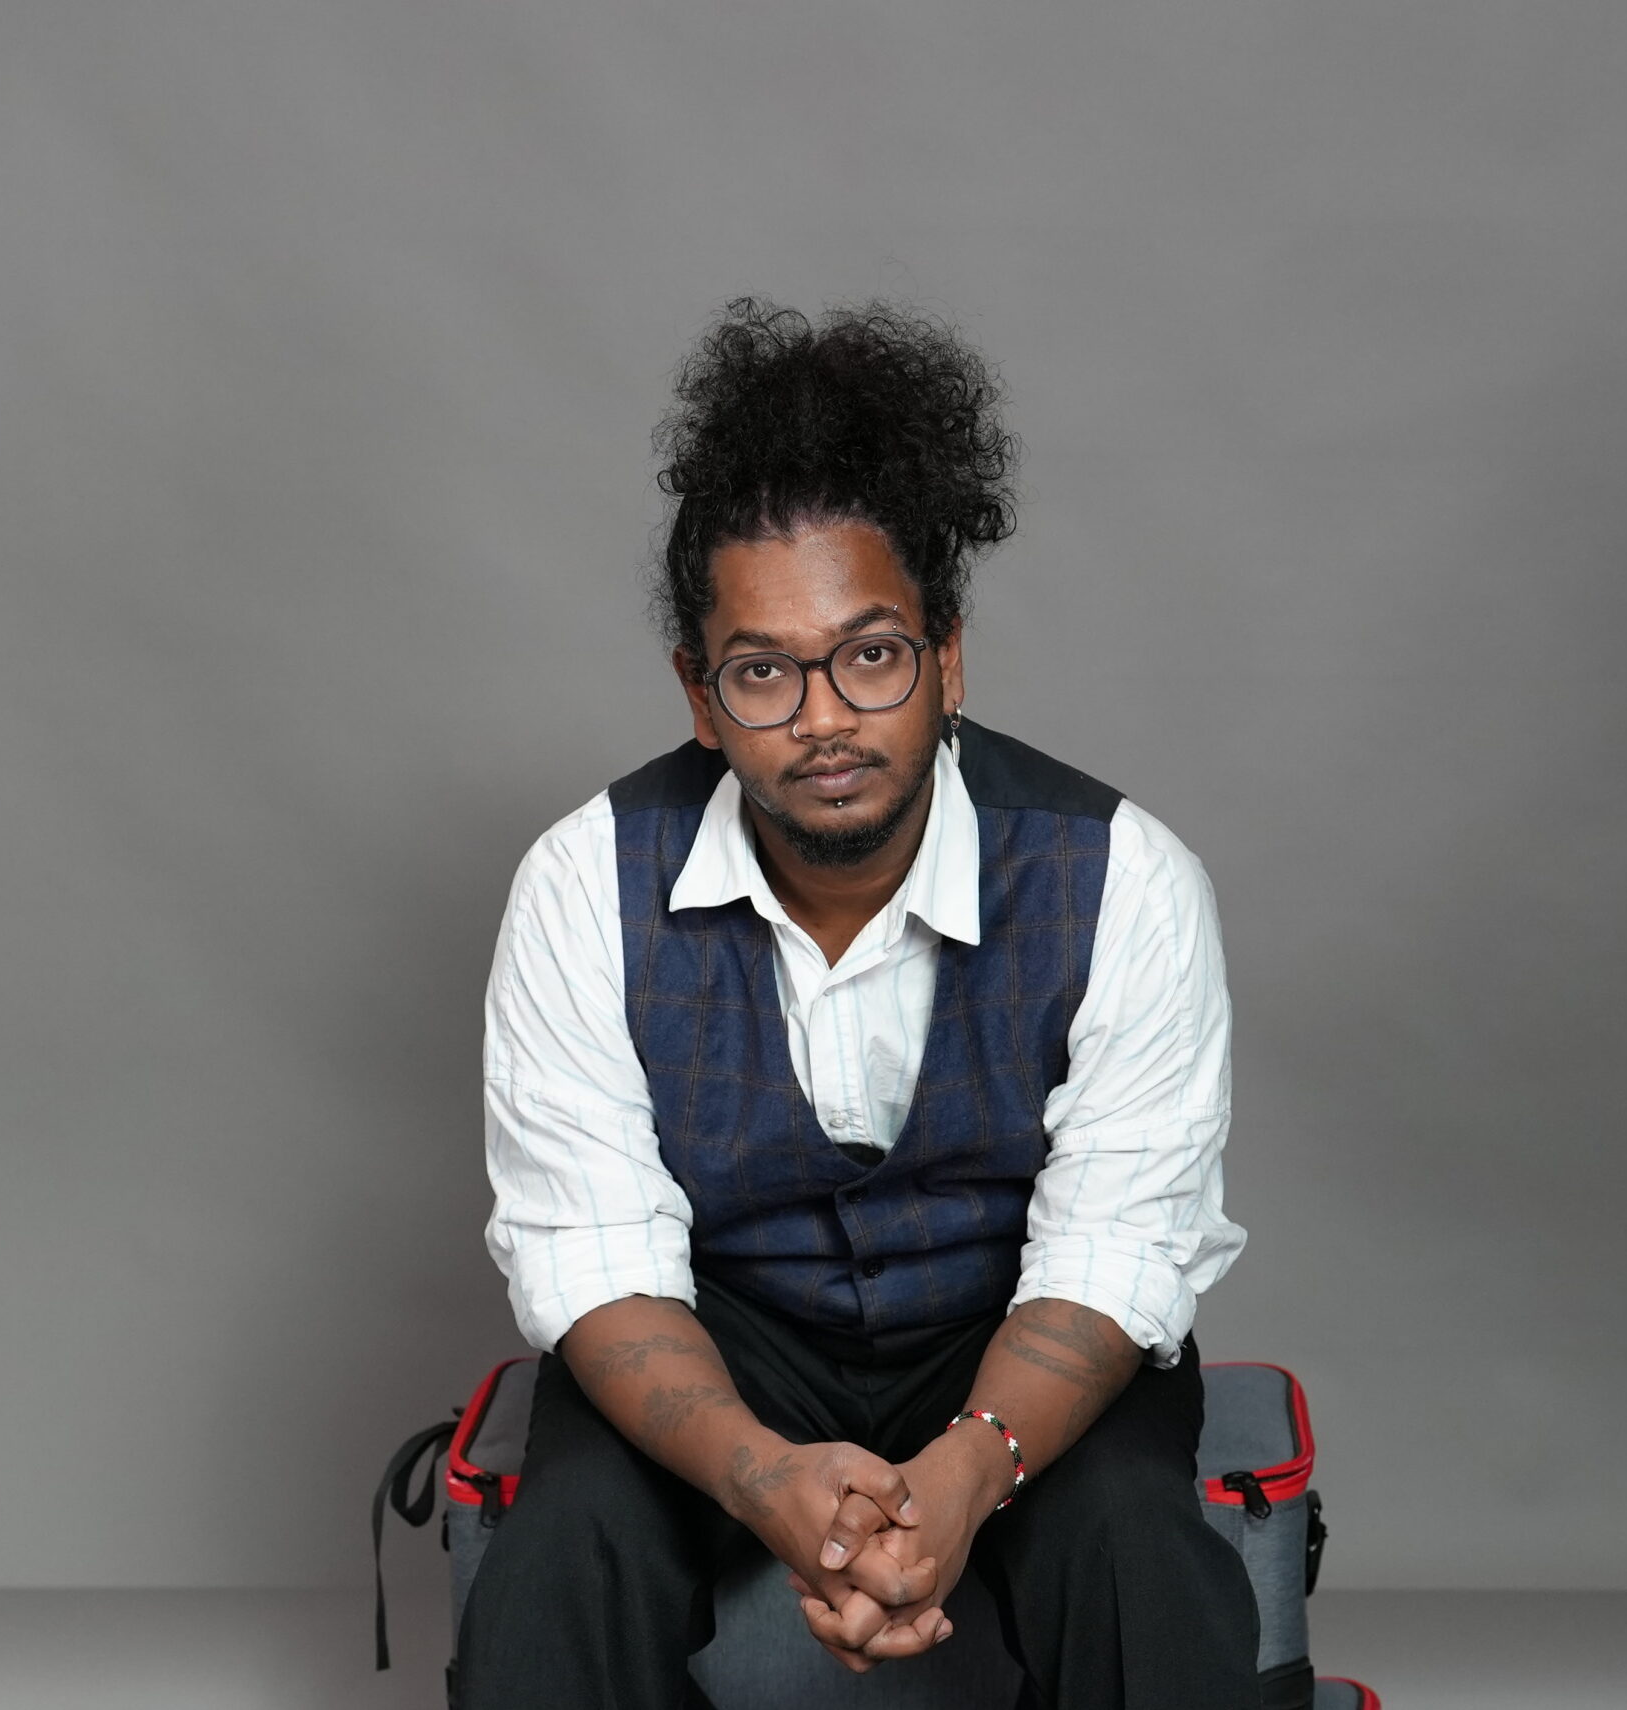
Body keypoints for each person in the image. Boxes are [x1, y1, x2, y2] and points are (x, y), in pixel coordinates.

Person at [458, 298, 1257, 1709]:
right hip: (724, 1331)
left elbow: (1116, 1249)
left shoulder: (1125, 879)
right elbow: (594, 1257)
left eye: (870, 654)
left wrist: (968, 1472)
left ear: (947, 659)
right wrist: (763, 1477)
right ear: (701, 696)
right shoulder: (582, 883)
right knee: (564, 1549)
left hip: (1007, 1317)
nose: (822, 716)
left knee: (1136, 1546)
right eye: (764, 671)